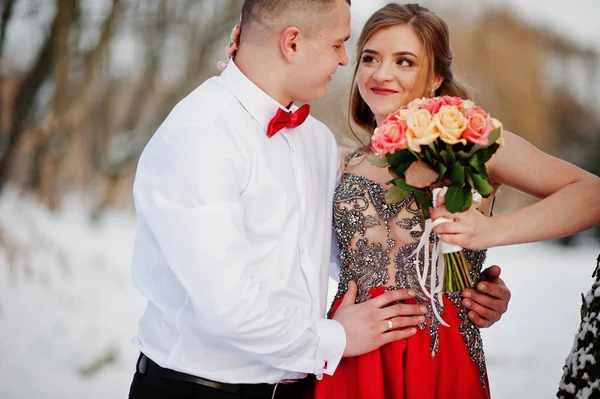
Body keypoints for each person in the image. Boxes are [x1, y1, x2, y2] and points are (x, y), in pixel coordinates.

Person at [128, 2, 511, 399]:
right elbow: (225, 305)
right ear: (292, 43)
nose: (345, 61)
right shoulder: (200, 134)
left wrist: (460, 287)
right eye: (339, 45)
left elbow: (355, 252)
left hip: (304, 385)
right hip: (199, 389)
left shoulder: (317, 141)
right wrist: (336, 339)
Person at [305, 3, 600, 399]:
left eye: (404, 61)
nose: (381, 73)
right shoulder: (337, 162)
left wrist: (491, 231)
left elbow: (591, 194)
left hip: (442, 357)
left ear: (437, 77)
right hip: (353, 359)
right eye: (369, 58)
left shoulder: (477, 145)